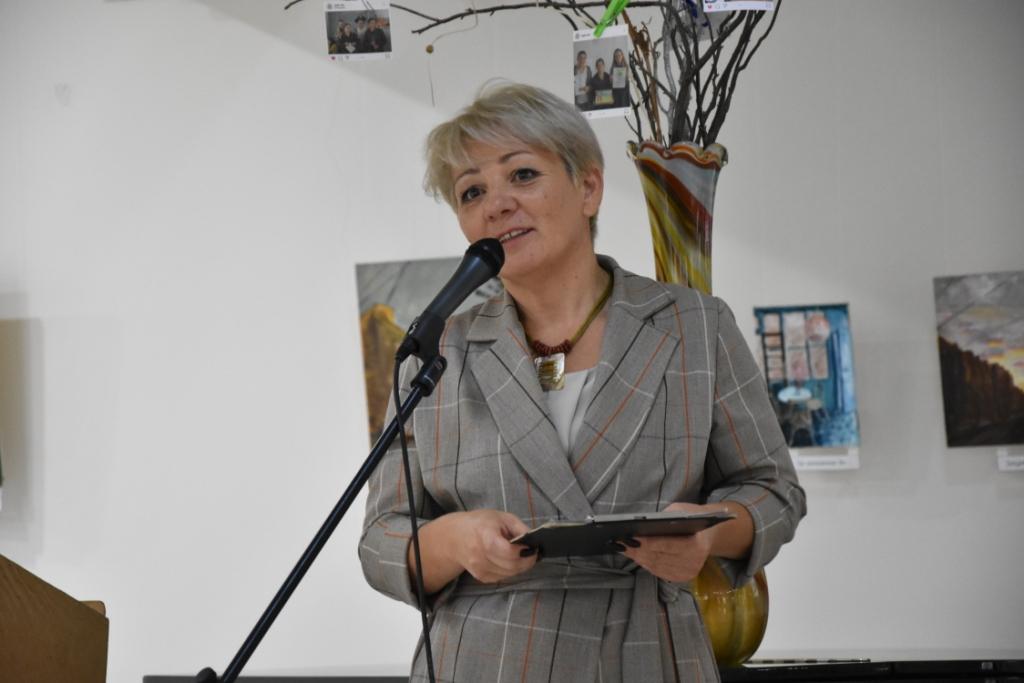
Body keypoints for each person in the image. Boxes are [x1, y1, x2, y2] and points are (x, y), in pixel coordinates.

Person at [359, 82, 806, 683]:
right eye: (472, 191)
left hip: (649, 651)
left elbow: (774, 490)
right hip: (486, 660)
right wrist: (453, 541)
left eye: (522, 174)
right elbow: (381, 537)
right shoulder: (436, 352)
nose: (497, 205)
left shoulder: (695, 325)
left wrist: (707, 536)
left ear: (589, 188)